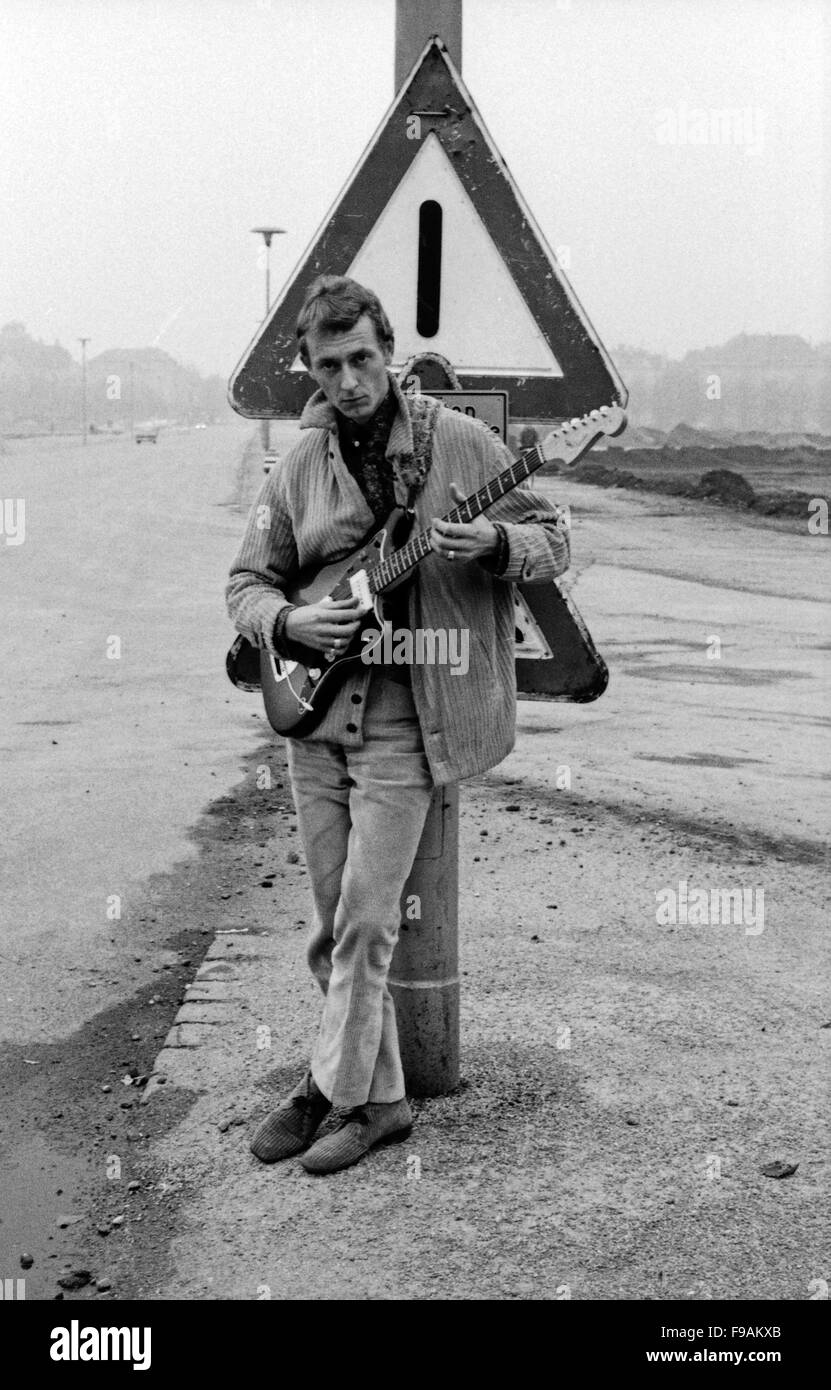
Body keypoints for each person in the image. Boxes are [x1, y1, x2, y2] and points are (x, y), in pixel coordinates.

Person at [226, 274, 570, 1175]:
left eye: (364, 359)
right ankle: (375, 1102)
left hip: (407, 719)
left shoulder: (459, 445)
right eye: (330, 365)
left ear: (390, 353)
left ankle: (323, 1093)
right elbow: (244, 585)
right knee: (329, 924)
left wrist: (496, 545)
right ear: (310, 367)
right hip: (312, 721)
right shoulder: (297, 468)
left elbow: (556, 540)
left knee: (367, 924)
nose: (349, 381)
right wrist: (289, 624)